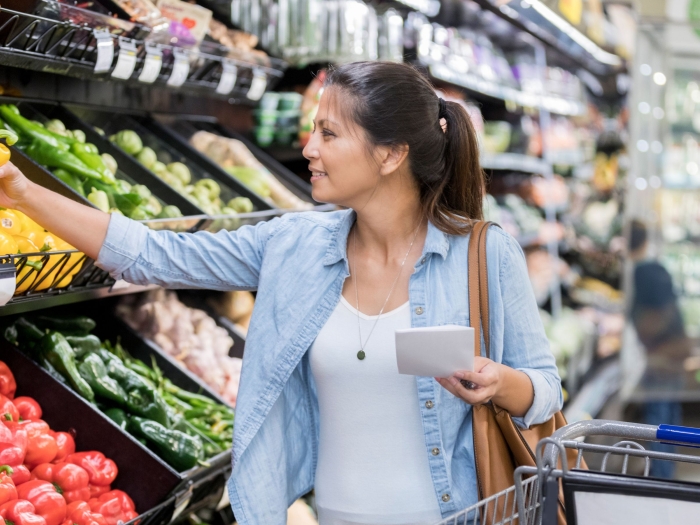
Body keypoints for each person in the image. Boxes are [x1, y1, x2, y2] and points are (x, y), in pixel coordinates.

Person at [0, 62, 562, 525]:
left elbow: (545, 390)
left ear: (390, 155)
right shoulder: (294, 245)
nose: (309, 147)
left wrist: (499, 382)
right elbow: (152, 254)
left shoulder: (483, 254)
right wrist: (23, 194)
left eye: (329, 133)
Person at [628, 219, 689, 479]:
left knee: (660, 420)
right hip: (670, 356)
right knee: (669, 417)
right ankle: (666, 474)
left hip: (661, 358)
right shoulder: (652, 269)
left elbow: (654, 317)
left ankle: (661, 480)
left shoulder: (642, 273)